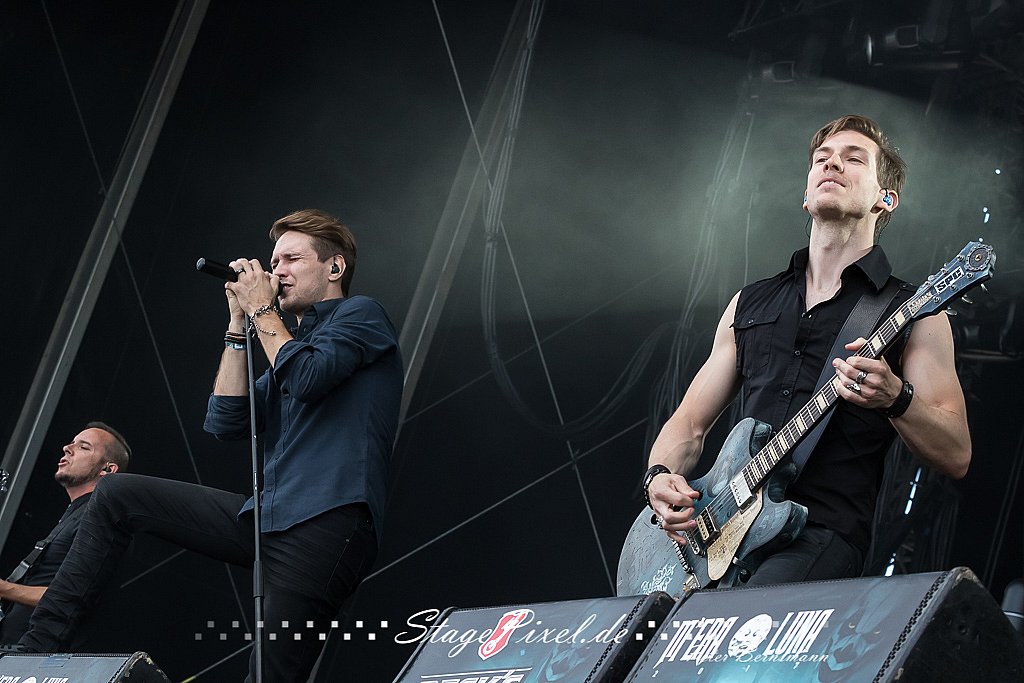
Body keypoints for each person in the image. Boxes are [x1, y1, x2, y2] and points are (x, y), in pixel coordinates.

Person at [13, 209, 404, 682]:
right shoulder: (287, 346)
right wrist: (238, 326)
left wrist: (262, 312)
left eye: (292, 259)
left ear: (334, 267)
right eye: (273, 261)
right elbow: (225, 420)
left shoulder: (361, 315)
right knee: (116, 494)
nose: (276, 271)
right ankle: (35, 652)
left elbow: (306, 377)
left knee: (270, 676)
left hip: (326, 523)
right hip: (266, 517)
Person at [644, 115, 971, 586]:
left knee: (743, 626)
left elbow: (956, 452)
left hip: (820, 535)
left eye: (853, 159)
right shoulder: (750, 303)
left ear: (885, 198)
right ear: (806, 193)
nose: (832, 164)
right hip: (719, 534)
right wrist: (659, 477)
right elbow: (690, 424)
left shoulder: (915, 312)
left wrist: (895, 398)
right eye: (822, 159)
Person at [0, 422, 129, 643]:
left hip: (31, 653)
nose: (67, 448)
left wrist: (4, 589)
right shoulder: (77, 513)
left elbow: (73, 596)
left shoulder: (98, 519)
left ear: (107, 469)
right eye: (71, 443)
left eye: (83, 447)